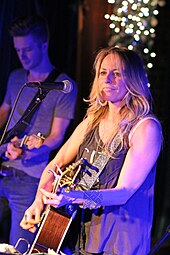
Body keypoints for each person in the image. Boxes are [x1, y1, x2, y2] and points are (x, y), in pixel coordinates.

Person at [20, 46, 162, 255]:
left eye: (117, 73)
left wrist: (73, 197)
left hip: (120, 238)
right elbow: (55, 165)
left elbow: (123, 193)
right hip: (84, 234)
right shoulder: (91, 122)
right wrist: (38, 201)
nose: (107, 79)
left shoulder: (145, 128)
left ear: (132, 79)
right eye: (103, 73)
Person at [0, 15, 77, 253]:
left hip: (30, 177)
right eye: (18, 50)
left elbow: (56, 137)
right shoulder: (15, 78)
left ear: (44, 45)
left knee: (19, 247)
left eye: (28, 49)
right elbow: (3, 115)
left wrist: (34, 148)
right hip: (3, 169)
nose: (22, 56)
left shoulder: (63, 85)